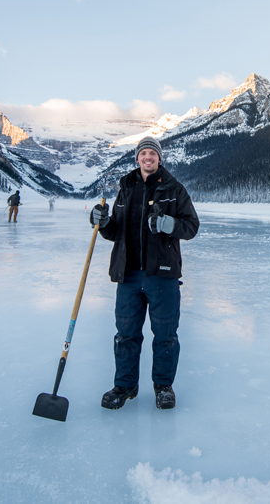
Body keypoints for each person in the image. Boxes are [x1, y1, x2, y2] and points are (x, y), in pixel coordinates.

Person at [90, 136, 200, 410]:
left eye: (153, 153)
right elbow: (116, 231)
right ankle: (125, 386)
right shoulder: (126, 188)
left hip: (162, 276)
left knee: (165, 335)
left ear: (159, 159)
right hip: (127, 275)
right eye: (143, 153)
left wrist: (168, 223)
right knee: (125, 334)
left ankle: (163, 386)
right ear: (137, 158)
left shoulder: (175, 188)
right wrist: (102, 223)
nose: (148, 157)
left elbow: (191, 227)